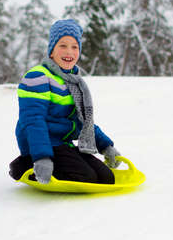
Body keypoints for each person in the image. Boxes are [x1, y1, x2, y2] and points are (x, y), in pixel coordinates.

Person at [9, 19, 121, 185]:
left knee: (106, 177)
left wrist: (106, 146)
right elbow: (33, 121)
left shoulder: (74, 82)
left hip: (63, 144)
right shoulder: (38, 77)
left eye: (74, 47)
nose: (69, 51)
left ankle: (54, 162)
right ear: (52, 50)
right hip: (41, 143)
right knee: (86, 178)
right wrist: (42, 158)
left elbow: (83, 121)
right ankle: (25, 165)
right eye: (63, 45)